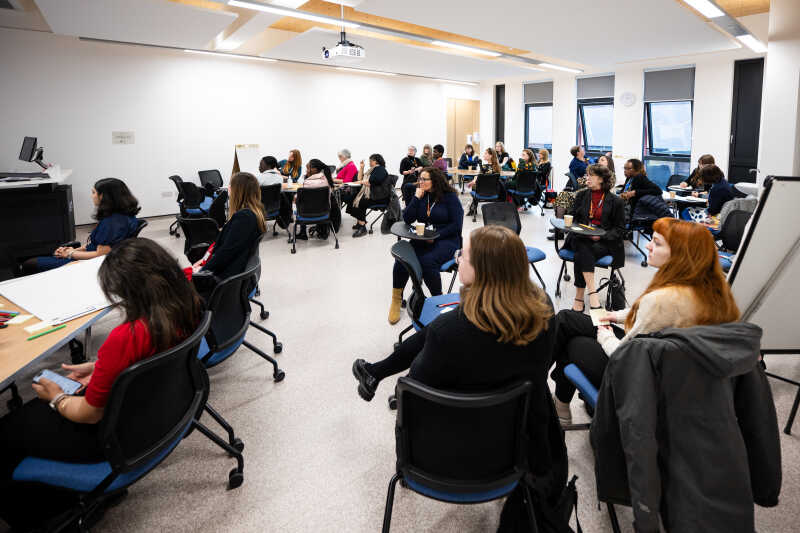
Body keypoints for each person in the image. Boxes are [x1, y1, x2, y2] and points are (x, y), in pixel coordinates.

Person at [352, 225, 567, 529]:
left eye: (462, 255)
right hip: (520, 441)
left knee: (437, 330)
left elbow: (414, 395)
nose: (456, 259)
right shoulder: (544, 311)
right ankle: (376, 371)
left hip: (450, 454)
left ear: (483, 272)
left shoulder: (451, 333)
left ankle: (376, 372)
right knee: (439, 328)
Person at [0, 238, 204, 531]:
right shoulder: (187, 306)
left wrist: (56, 397)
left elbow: (89, 413)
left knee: (7, 433)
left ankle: (43, 516)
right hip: (158, 415)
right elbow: (148, 358)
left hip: (113, 439)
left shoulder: (126, 336)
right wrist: (102, 367)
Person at [550, 217, 741, 426]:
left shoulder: (663, 300)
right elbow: (648, 315)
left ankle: (547, 396)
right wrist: (616, 316)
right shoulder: (709, 288)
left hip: (641, 377)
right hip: (669, 373)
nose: (648, 245)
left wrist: (605, 336)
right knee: (568, 320)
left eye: (657, 243)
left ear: (679, 254)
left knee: (571, 340)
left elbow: (624, 355)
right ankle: (557, 402)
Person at [387, 167, 463, 324]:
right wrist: (415, 198)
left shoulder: (450, 197)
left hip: (447, 239)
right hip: (423, 237)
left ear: (434, 181)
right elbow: (407, 218)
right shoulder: (422, 195)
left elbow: (456, 225)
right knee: (402, 259)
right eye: (419, 179)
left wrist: (436, 236)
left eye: (424, 179)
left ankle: (438, 300)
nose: (420, 182)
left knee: (427, 261)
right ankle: (396, 300)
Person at [22, 178, 140, 274]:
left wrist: (69, 254)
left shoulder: (112, 223)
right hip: (89, 258)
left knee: (29, 264)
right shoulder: (122, 215)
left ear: (103, 196)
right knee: (39, 259)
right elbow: (94, 244)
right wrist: (72, 250)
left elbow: (100, 255)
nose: (91, 196)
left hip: (90, 264)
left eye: (94, 192)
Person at [563, 164, 625, 311]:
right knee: (583, 246)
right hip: (580, 236)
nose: (587, 178)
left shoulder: (616, 201)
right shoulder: (581, 195)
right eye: (587, 175)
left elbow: (620, 230)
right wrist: (568, 219)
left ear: (601, 179)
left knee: (582, 252)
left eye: (590, 175)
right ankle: (593, 295)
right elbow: (573, 217)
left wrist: (601, 236)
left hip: (603, 241)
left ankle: (579, 298)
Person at [190, 172, 266, 289]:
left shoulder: (244, 218)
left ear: (239, 190)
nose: (228, 187)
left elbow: (226, 253)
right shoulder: (254, 212)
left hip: (227, 277)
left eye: (231, 184)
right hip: (234, 270)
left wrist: (202, 271)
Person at [346, 154, 391, 238]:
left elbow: (371, 182)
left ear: (376, 161)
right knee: (352, 198)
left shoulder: (380, 169)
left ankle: (362, 227)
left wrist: (360, 182)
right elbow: (360, 178)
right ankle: (359, 222)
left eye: (371, 160)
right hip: (373, 194)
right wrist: (362, 167)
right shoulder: (372, 170)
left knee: (361, 202)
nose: (369, 162)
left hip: (380, 197)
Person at [294, 159, 334, 241]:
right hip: (324, 212)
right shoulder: (326, 180)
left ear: (314, 170)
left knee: (298, 204)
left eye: (308, 168)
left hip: (306, 213)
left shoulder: (307, 182)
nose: (306, 170)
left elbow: (298, 198)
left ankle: (303, 233)